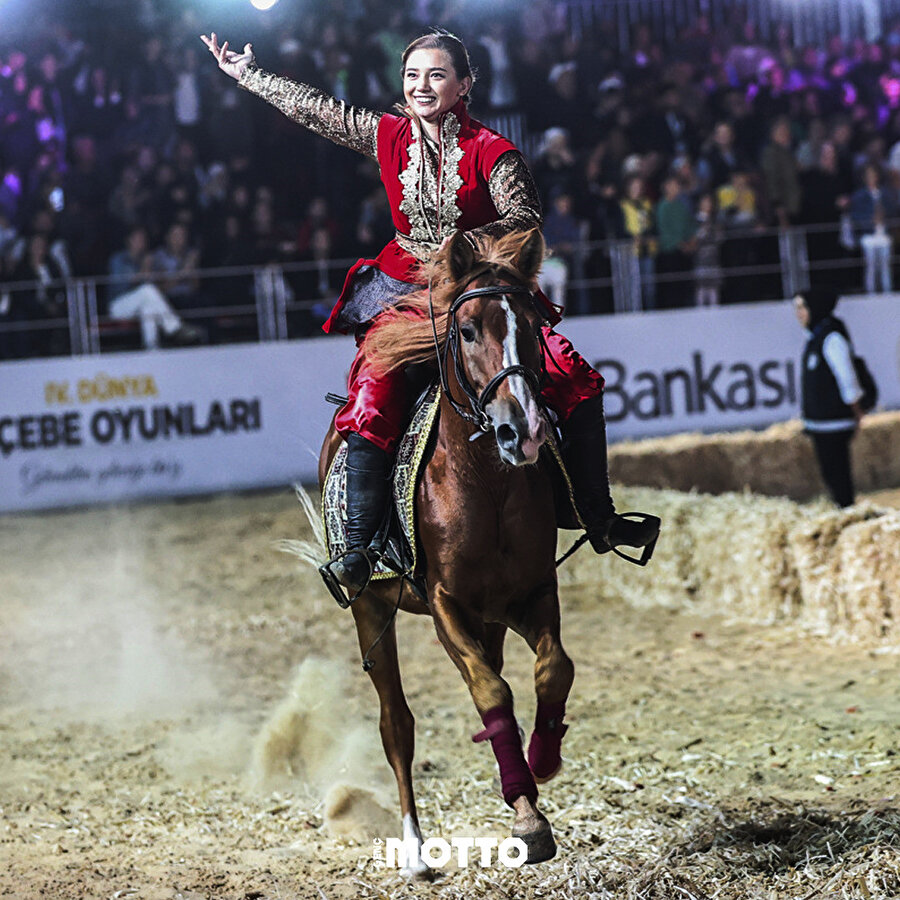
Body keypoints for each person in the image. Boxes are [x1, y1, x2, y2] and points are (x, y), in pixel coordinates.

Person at [202, 29, 659, 593]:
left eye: (436, 75)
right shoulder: (389, 135)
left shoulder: (494, 150)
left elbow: (523, 216)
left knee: (575, 377)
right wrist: (247, 74)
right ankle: (361, 549)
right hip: (407, 291)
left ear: (464, 84)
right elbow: (315, 110)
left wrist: (465, 249)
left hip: (478, 288)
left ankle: (599, 516)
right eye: (413, 75)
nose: (421, 86)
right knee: (374, 392)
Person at [793, 287, 864, 508]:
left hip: (835, 420)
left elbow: (847, 375)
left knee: (838, 474)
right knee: (830, 473)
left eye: (802, 307)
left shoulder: (831, 336)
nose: (799, 313)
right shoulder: (814, 336)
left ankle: (847, 511)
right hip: (821, 422)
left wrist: (855, 408)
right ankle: (841, 509)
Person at [108, 225, 201, 349]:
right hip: (118, 306)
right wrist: (144, 269)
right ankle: (175, 327)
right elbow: (123, 284)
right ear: (129, 240)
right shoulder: (118, 259)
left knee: (149, 309)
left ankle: (152, 350)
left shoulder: (146, 258)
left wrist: (148, 267)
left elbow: (156, 285)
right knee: (148, 290)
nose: (141, 242)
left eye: (143, 239)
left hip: (138, 306)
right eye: (138, 239)